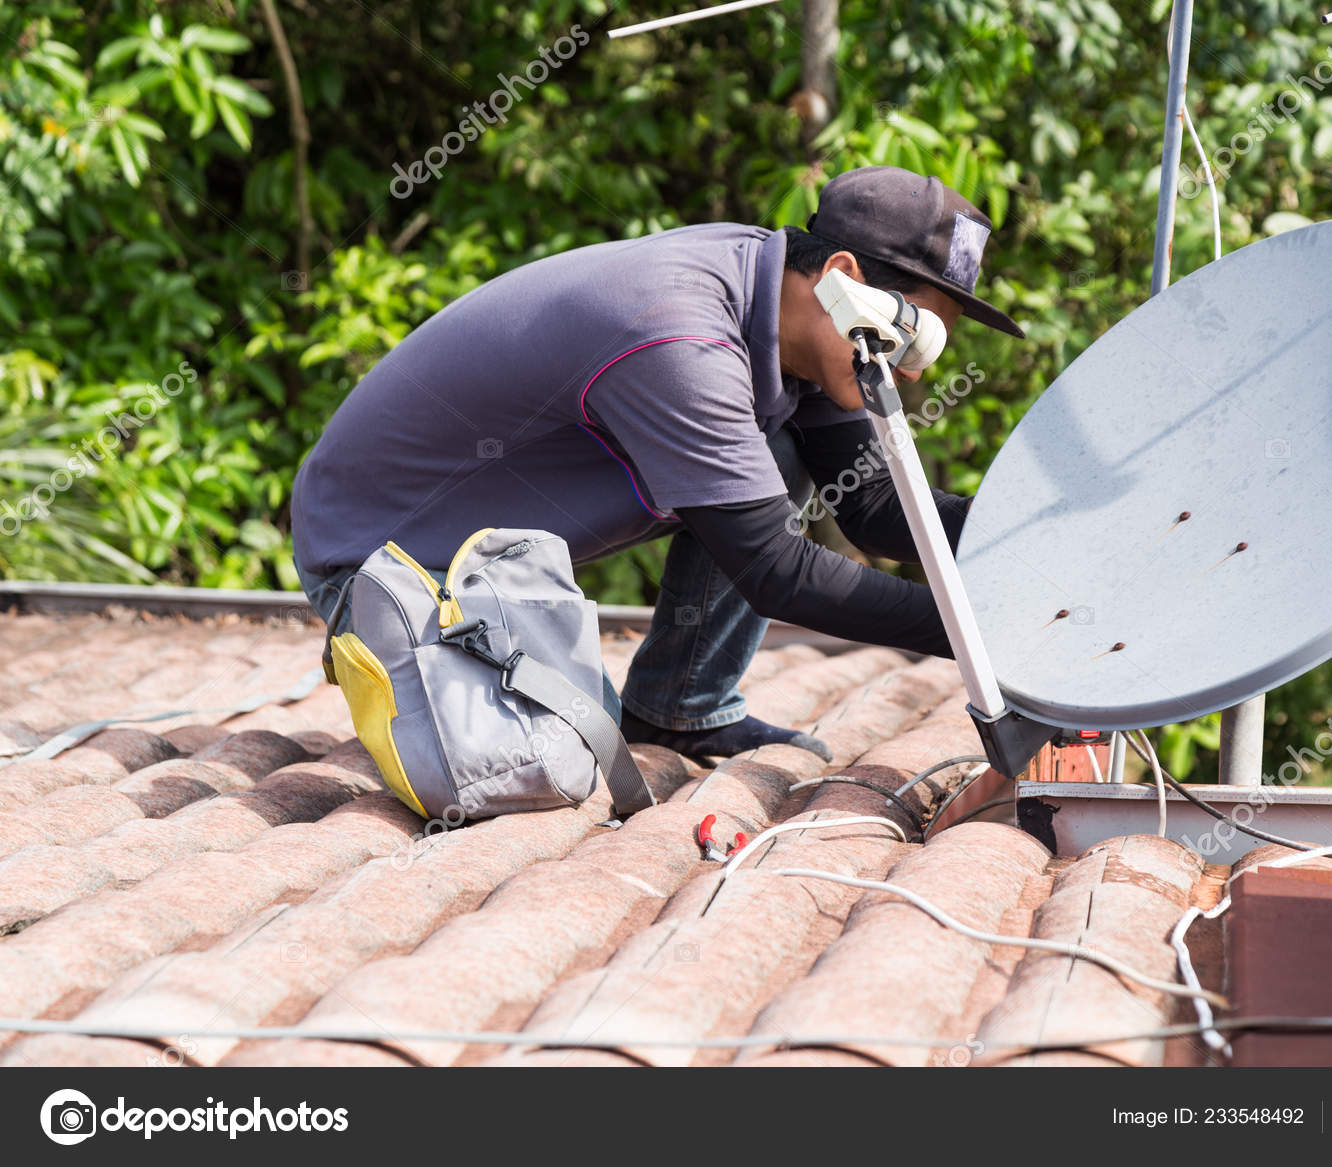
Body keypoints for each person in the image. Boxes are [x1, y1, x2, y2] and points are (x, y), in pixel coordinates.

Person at [290, 165, 1023, 763]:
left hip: (468, 561)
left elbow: (874, 507)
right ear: (842, 275)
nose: (913, 371)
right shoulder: (680, 337)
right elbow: (773, 569)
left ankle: (681, 709)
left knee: (776, 451)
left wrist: (1037, 545)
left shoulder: (784, 304)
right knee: (547, 766)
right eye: (913, 339)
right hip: (383, 574)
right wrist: (988, 636)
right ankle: (672, 707)